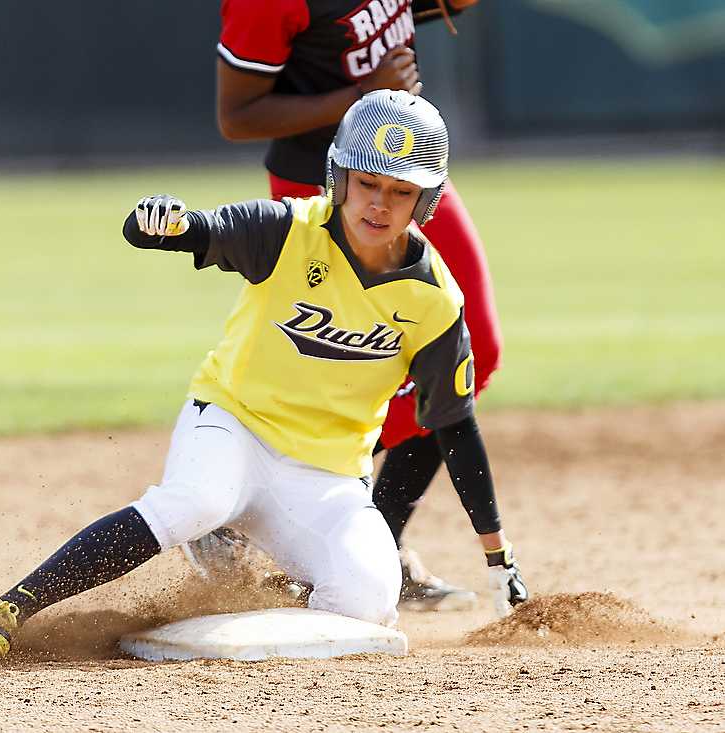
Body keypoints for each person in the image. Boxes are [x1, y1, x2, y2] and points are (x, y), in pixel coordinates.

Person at [0, 91, 527, 658]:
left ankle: (263, 578)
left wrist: (498, 558)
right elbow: (185, 230)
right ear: (339, 177)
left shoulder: (433, 298)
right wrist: (160, 222)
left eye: (401, 191)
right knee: (193, 501)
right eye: (367, 181)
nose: (379, 203)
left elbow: (454, 425)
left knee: (369, 598)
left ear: (426, 202)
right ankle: (8, 607)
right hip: (231, 427)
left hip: (325, 473)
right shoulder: (286, 231)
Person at [186, 0, 500, 610]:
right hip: (331, 185)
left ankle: (374, 539)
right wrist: (363, 93)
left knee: (473, 352)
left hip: (412, 172)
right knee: (333, 366)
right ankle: (248, 499)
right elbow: (237, 115)